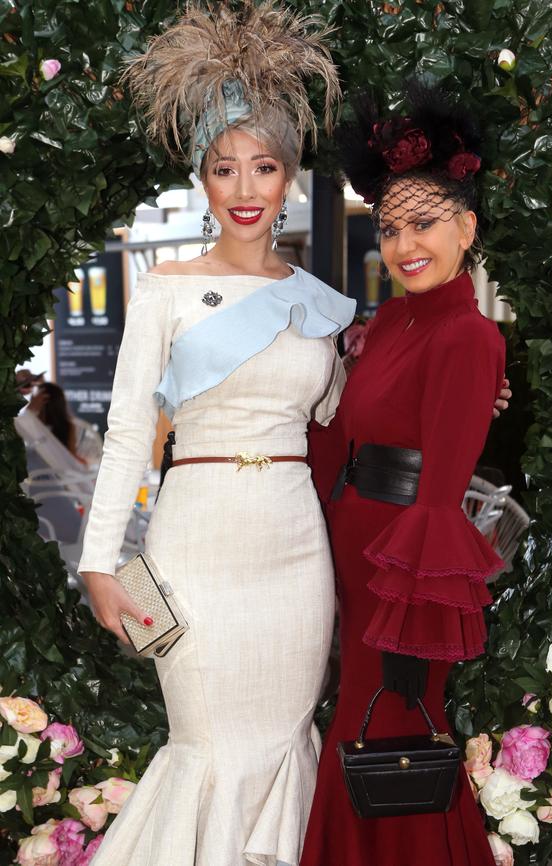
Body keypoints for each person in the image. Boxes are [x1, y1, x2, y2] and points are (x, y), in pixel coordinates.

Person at [77, 4, 353, 865]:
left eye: (263, 167)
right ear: (202, 179)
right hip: (196, 545)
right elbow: (127, 436)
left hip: (294, 552)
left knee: (281, 740)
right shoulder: (161, 288)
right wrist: (96, 562)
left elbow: (346, 416)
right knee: (209, 744)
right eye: (225, 168)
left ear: (288, 178)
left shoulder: (316, 303)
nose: (244, 189)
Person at [301, 85, 506, 866]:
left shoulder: (467, 334)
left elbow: (443, 485)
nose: (403, 244)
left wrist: (408, 595)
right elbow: (343, 438)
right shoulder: (386, 322)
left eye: (423, 223)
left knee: (387, 729)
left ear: (466, 227)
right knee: (370, 726)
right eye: (389, 227)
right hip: (358, 549)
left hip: (404, 567)